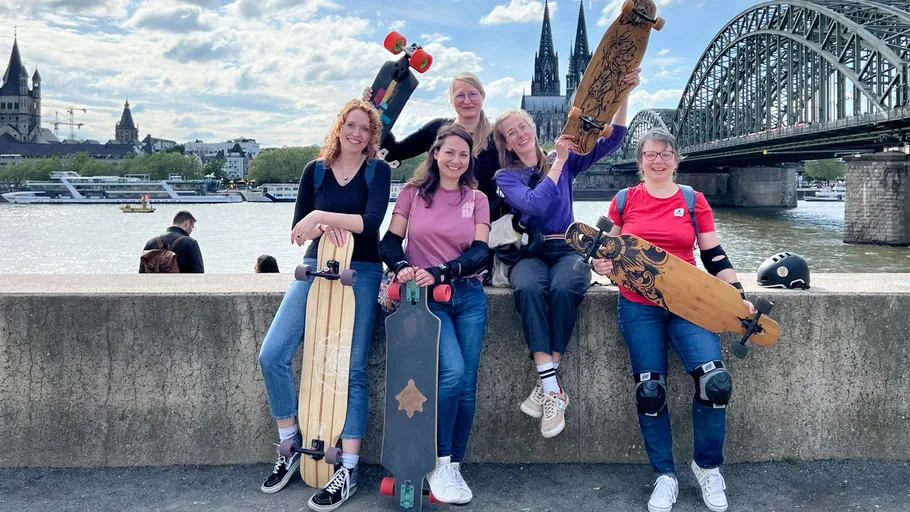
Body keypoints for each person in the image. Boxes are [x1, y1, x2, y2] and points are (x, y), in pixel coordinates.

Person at [591, 127, 756, 512]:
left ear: (676, 160)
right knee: (651, 391)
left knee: (715, 384)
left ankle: (707, 467)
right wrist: (603, 262)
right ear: (640, 161)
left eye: (665, 154)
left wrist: (739, 297)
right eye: (650, 154)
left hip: (691, 304)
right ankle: (664, 475)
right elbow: (609, 252)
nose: (658, 160)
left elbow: (714, 256)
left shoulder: (693, 200)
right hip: (638, 304)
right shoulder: (623, 200)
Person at [257, 99, 391, 512]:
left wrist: (323, 215)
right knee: (273, 353)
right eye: (350, 125)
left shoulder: (378, 171)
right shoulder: (313, 172)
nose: (356, 133)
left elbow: (371, 223)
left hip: (364, 270)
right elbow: (300, 231)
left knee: (351, 367)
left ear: (372, 137)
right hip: (315, 267)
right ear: (339, 128)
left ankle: (347, 467)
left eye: (365, 129)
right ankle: (290, 444)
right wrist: (323, 220)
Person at [492, 69, 639, 439]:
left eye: (523, 127)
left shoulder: (566, 157)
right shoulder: (506, 177)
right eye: (512, 133)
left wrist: (623, 94)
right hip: (529, 251)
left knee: (566, 287)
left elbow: (615, 139)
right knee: (526, 289)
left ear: (533, 128)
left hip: (568, 246)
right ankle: (554, 389)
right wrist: (556, 161)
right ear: (507, 143)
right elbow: (536, 205)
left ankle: (546, 385)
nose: (520, 135)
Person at [379, 124, 490, 505]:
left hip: (469, 294)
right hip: (428, 301)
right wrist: (400, 266)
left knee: (469, 384)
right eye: (450, 152)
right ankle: (438, 460)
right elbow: (390, 241)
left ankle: (454, 464)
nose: (456, 160)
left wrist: (444, 271)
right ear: (435, 154)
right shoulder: (412, 194)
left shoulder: (476, 198)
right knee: (453, 372)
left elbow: (480, 252)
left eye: (464, 155)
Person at [364, 73, 504, 281]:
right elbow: (393, 152)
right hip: (437, 229)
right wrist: (375, 110)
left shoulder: (497, 137)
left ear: (483, 96)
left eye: (472, 94)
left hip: (478, 235)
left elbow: (527, 164)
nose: (467, 100)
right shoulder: (438, 130)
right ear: (452, 100)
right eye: (460, 95)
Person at [138, 210, 204, 273]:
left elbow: (142, 271)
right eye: (192, 227)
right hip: (181, 284)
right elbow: (198, 272)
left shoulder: (151, 242)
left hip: (155, 283)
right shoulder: (190, 243)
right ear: (187, 223)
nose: (191, 231)